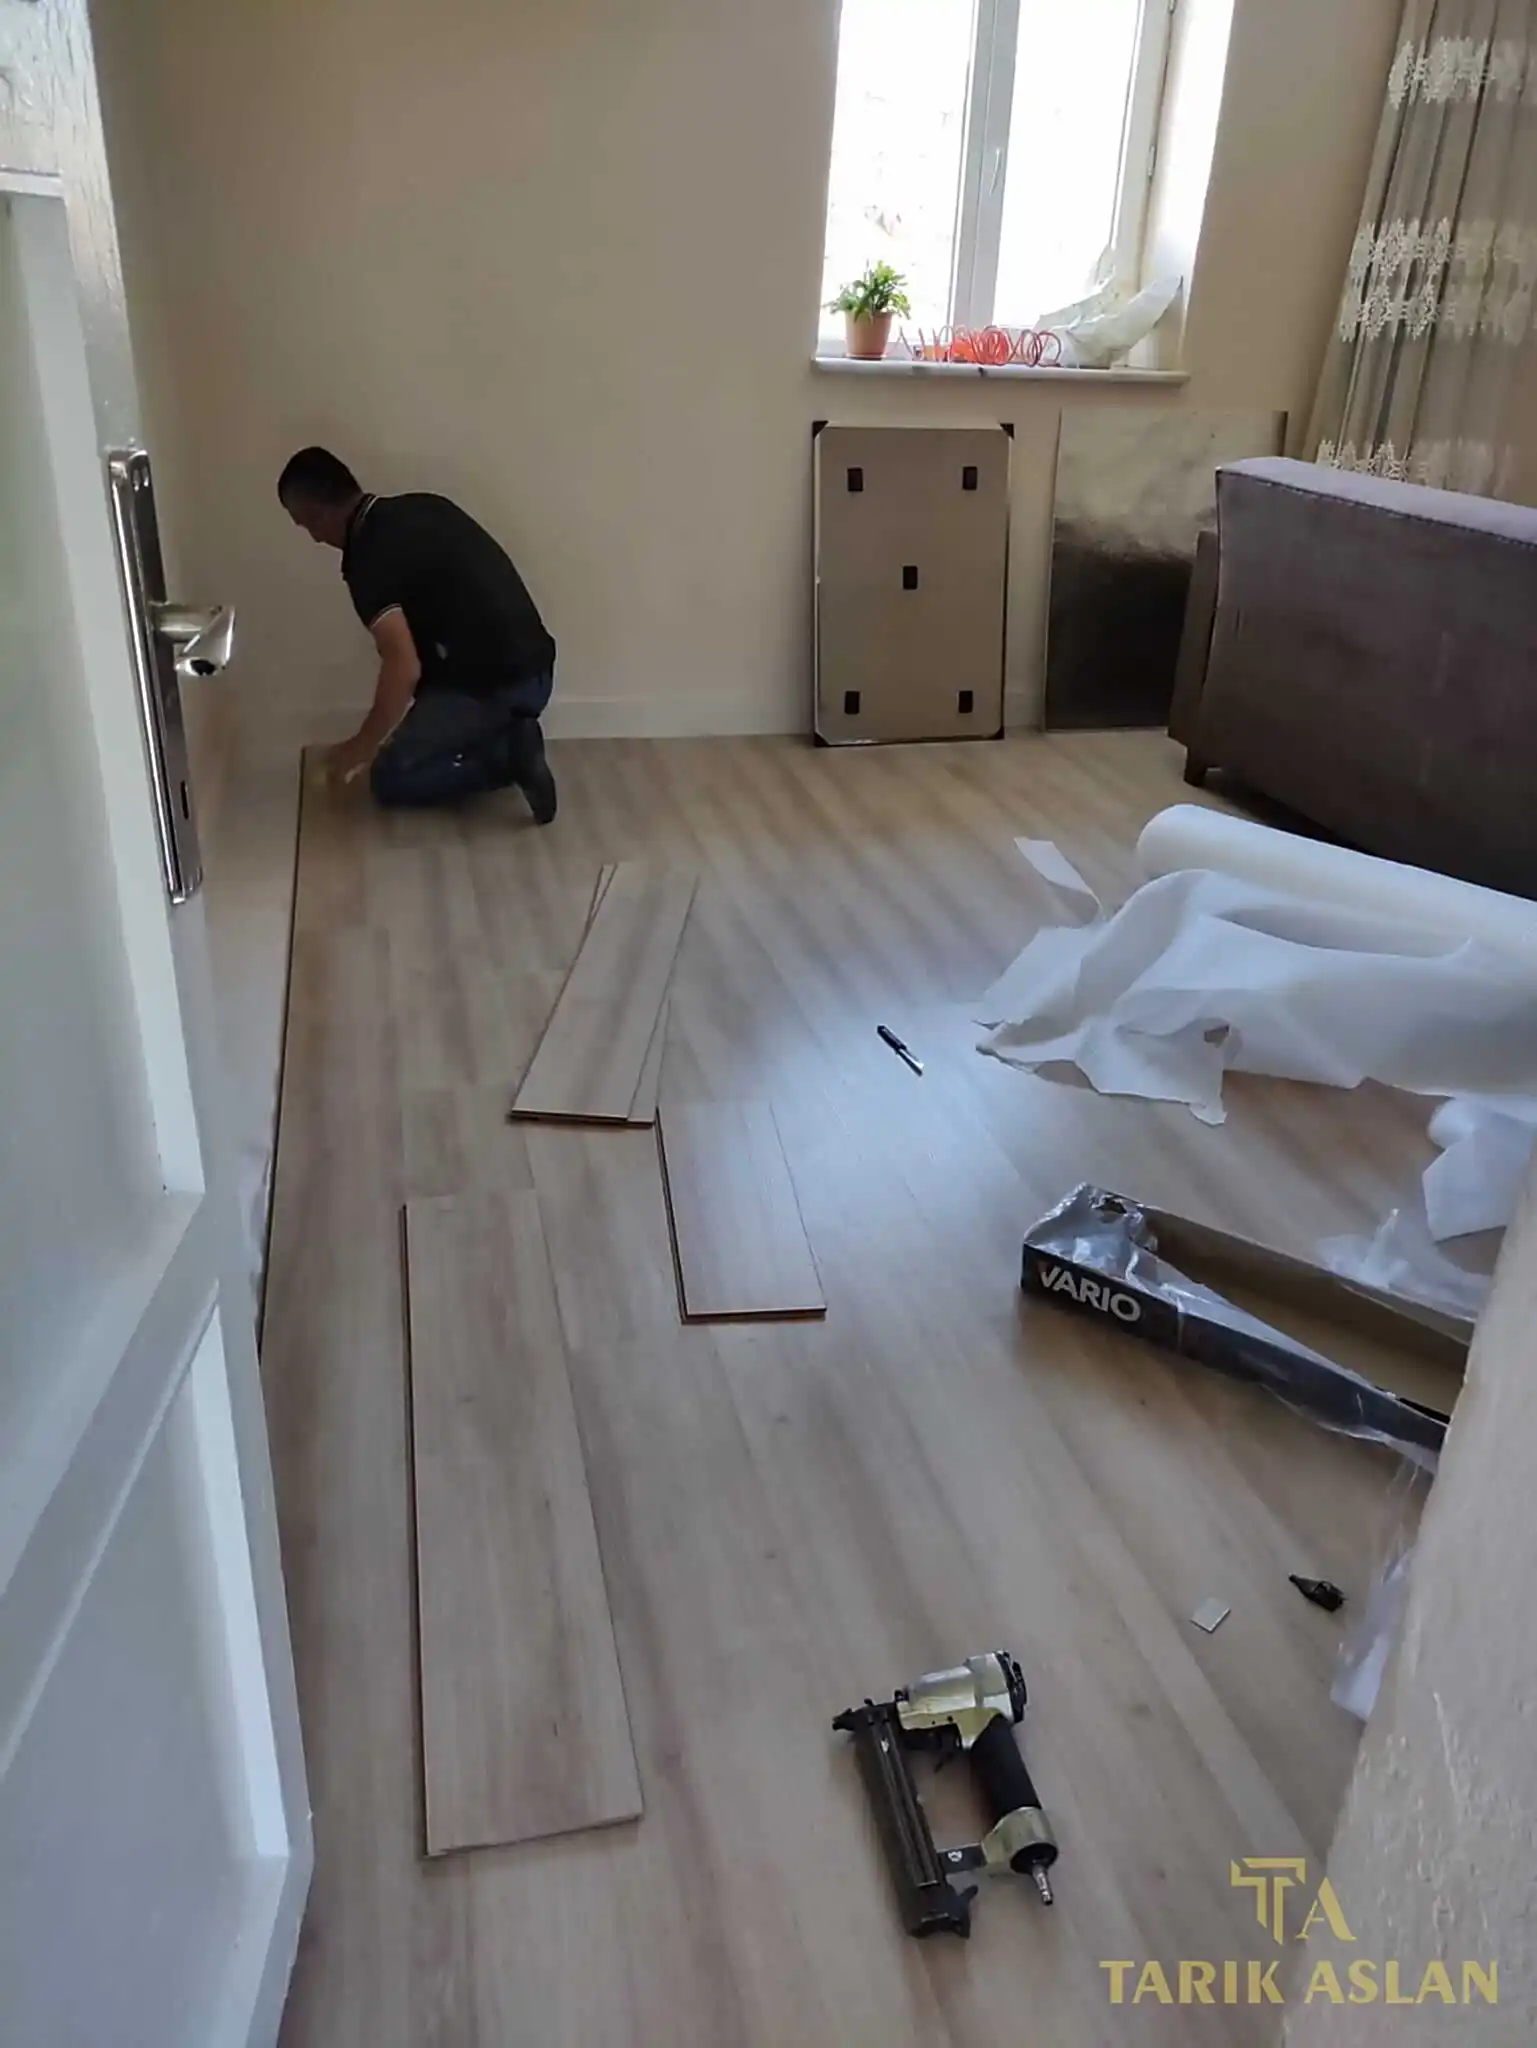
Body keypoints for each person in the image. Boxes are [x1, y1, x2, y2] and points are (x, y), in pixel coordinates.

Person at [277, 447, 558, 820]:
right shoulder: (424, 506)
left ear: (318, 513)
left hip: (498, 687)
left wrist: (361, 746)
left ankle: (510, 755)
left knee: (392, 778)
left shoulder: (367, 561)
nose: (314, 538)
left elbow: (403, 666)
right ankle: (506, 733)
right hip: (539, 673)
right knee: (425, 698)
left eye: (305, 524)